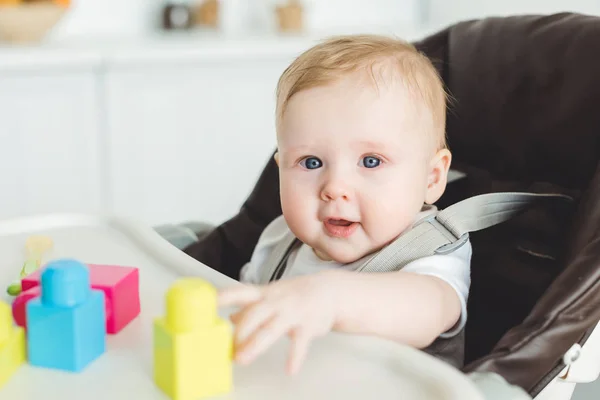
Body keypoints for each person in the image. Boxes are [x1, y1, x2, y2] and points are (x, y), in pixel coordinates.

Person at [217, 34, 471, 376]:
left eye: (370, 162)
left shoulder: (430, 254)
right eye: (310, 163)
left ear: (431, 177)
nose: (334, 188)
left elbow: (430, 309)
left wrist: (328, 297)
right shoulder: (278, 243)